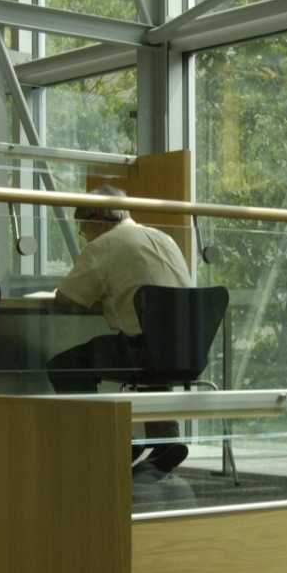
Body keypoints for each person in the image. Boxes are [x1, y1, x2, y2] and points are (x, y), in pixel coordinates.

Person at [48, 184, 193, 475]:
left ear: (98, 222)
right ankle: (167, 439)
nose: (84, 237)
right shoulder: (162, 237)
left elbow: (66, 298)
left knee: (64, 365)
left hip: (144, 351)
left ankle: (116, 441)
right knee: (148, 349)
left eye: (83, 229)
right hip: (188, 347)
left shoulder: (106, 244)